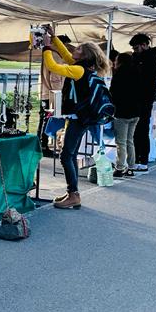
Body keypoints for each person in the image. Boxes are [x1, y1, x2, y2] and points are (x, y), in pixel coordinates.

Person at [42, 32, 111, 209]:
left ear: (85, 55)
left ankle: (74, 194)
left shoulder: (78, 70)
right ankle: (73, 192)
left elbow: (53, 66)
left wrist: (46, 46)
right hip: (82, 117)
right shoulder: (82, 68)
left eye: (79, 48)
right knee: (70, 153)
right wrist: (54, 38)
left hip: (79, 118)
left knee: (66, 155)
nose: (75, 49)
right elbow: (65, 55)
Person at [129, 33, 156, 173]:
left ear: (144, 45)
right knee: (134, 130)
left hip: (145, 99)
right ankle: (134, 158)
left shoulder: (153, 61)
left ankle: (143, 159)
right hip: (134, 99)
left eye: (136, 48)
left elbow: (147, 80)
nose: (134, 51)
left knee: (142, 129)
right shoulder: (135, 58)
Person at [109, 52, 139, 178]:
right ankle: (131, 167)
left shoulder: (119, 75)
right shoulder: (138, 72)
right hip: (136, 111)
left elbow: (113, 93)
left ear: (119, 62)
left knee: (120, 142)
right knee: (130, 140)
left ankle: (120, 167)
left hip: (122, 112)